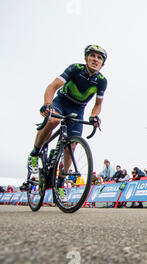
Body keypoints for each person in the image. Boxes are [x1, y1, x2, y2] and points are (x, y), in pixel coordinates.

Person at [27, 45, 107, 196]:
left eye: (99, 58)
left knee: (72, 145)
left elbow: (98, 105)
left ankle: (60, 183)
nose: (95, 59)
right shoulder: (75, 69)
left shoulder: (102, 81)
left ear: (102, 63)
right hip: (61, 102)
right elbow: (52, 86)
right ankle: (35, 153)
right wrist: (47, 104)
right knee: (53, 121)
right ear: (86, 58)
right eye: (92, 56)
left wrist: (94, 116)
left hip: (78, 109)